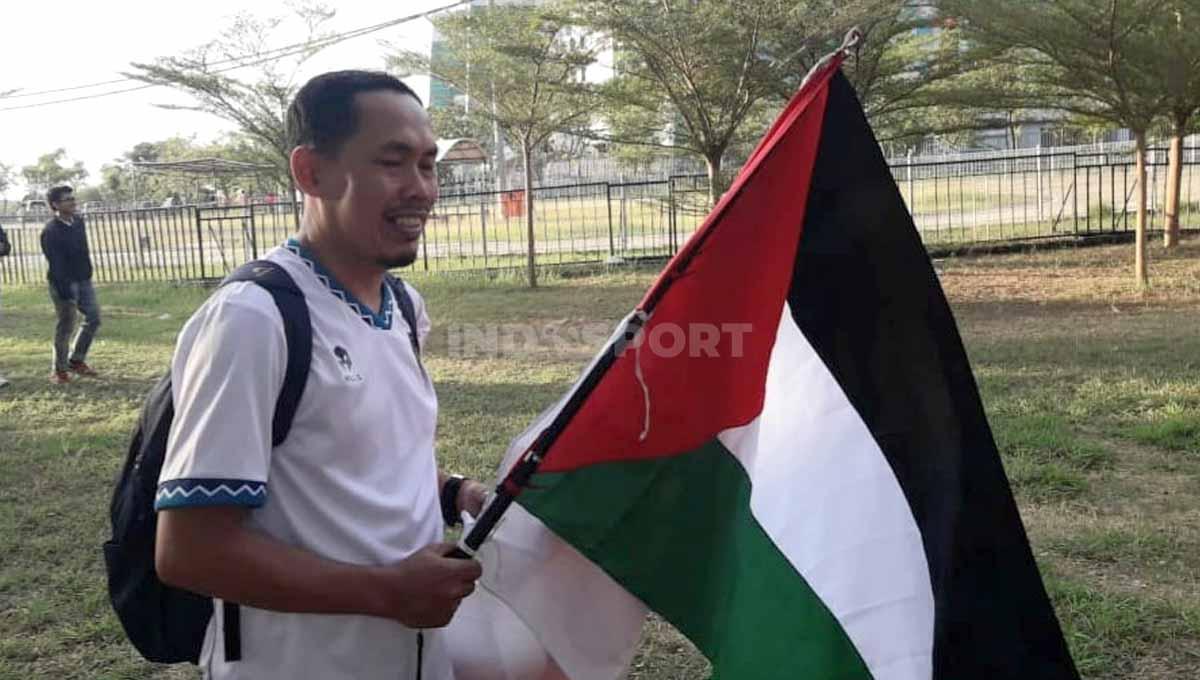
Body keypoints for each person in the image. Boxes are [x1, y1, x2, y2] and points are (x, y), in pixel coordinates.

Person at [154, 70, 488, 680]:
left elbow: (356, 453)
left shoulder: (404, 307)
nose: (421, 189)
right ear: (311, 172)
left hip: (414, 657)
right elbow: (190, 551)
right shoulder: (252, 318)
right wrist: (389, 592)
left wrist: (453, 493)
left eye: (428, 165)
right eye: (393, 163)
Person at [40, 185, 101, 384]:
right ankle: (59, 371)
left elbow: (83, 250)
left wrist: (88, 272)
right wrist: (64, 289)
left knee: (93, 318)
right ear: (55, 205)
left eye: (73, 198)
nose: (72, 201)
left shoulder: (78, 222)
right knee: (66, 325)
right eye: (67, 199)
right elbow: (55, 261)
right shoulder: (51, 230)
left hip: (83, 279)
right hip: (64, 283)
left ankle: (76, 361)